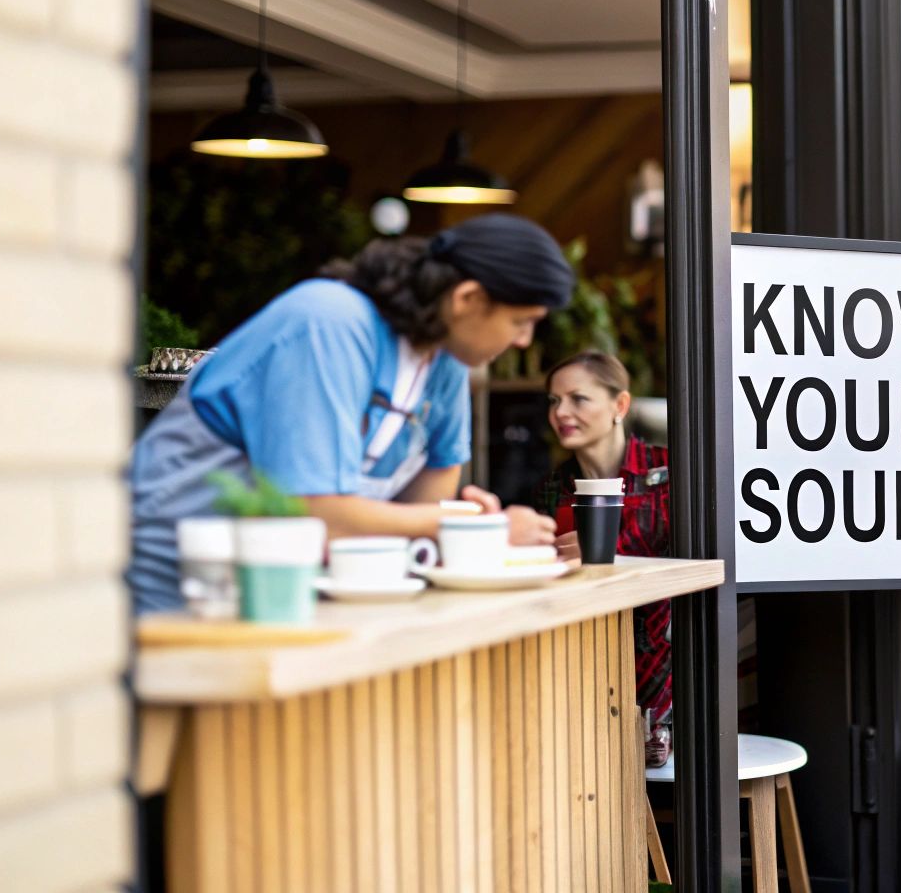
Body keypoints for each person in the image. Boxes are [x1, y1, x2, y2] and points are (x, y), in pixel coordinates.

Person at [130, 213, 573, 613]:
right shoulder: (328, 324)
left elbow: (419, 518)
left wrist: (455, 525)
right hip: (169, 582)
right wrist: (479, 527)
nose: (524, 342)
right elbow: (316, 514)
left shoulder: (447, 365)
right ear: (467, 300)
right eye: (522, 322)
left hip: (290, 589)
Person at [535, 350, 674, 761]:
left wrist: (607, 554)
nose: (562, 412)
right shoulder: (552, 489)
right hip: (579, 667)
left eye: (578, 399)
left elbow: (695, 566)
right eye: (554, 401)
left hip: (670, 673)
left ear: (620, 405)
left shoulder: (671, 473)